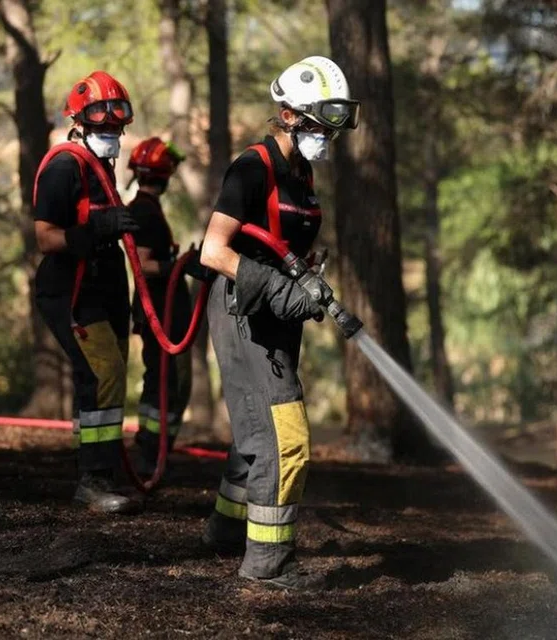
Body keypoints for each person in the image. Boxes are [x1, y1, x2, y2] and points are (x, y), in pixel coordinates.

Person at [196, 55, 360, 589]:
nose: (325, 138)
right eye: (318, 126)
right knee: (284, 436)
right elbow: (213, 251)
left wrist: (307, 278)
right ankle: (269, 561)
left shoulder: (301, 173)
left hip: (276, 315)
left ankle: (227, 528)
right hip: (243, 310)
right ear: (288, 115)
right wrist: (276, 287)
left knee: (255, 425)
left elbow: (286, 246)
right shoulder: (252, 168)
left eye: (331, 130)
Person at [33, 70, 141, 514]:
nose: (111, 132)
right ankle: (93, 481)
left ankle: (99, 467)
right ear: (78, 122)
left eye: (117, 124)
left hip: (105, 283)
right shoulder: (64, 166)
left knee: (107, 372)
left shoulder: (103, 168)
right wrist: (95, 228)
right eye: (103, 124)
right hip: (71, 288)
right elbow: (45, 238)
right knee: (103, 372)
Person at [126, 137, 192, 480]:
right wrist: (180, 264)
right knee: (165, 381)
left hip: (164, 311)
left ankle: (157, 449)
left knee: (168, 380)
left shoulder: (147, 208)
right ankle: (150, 451)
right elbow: (143, 265)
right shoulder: (144, 211)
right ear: (163, 175)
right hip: (159, 312)